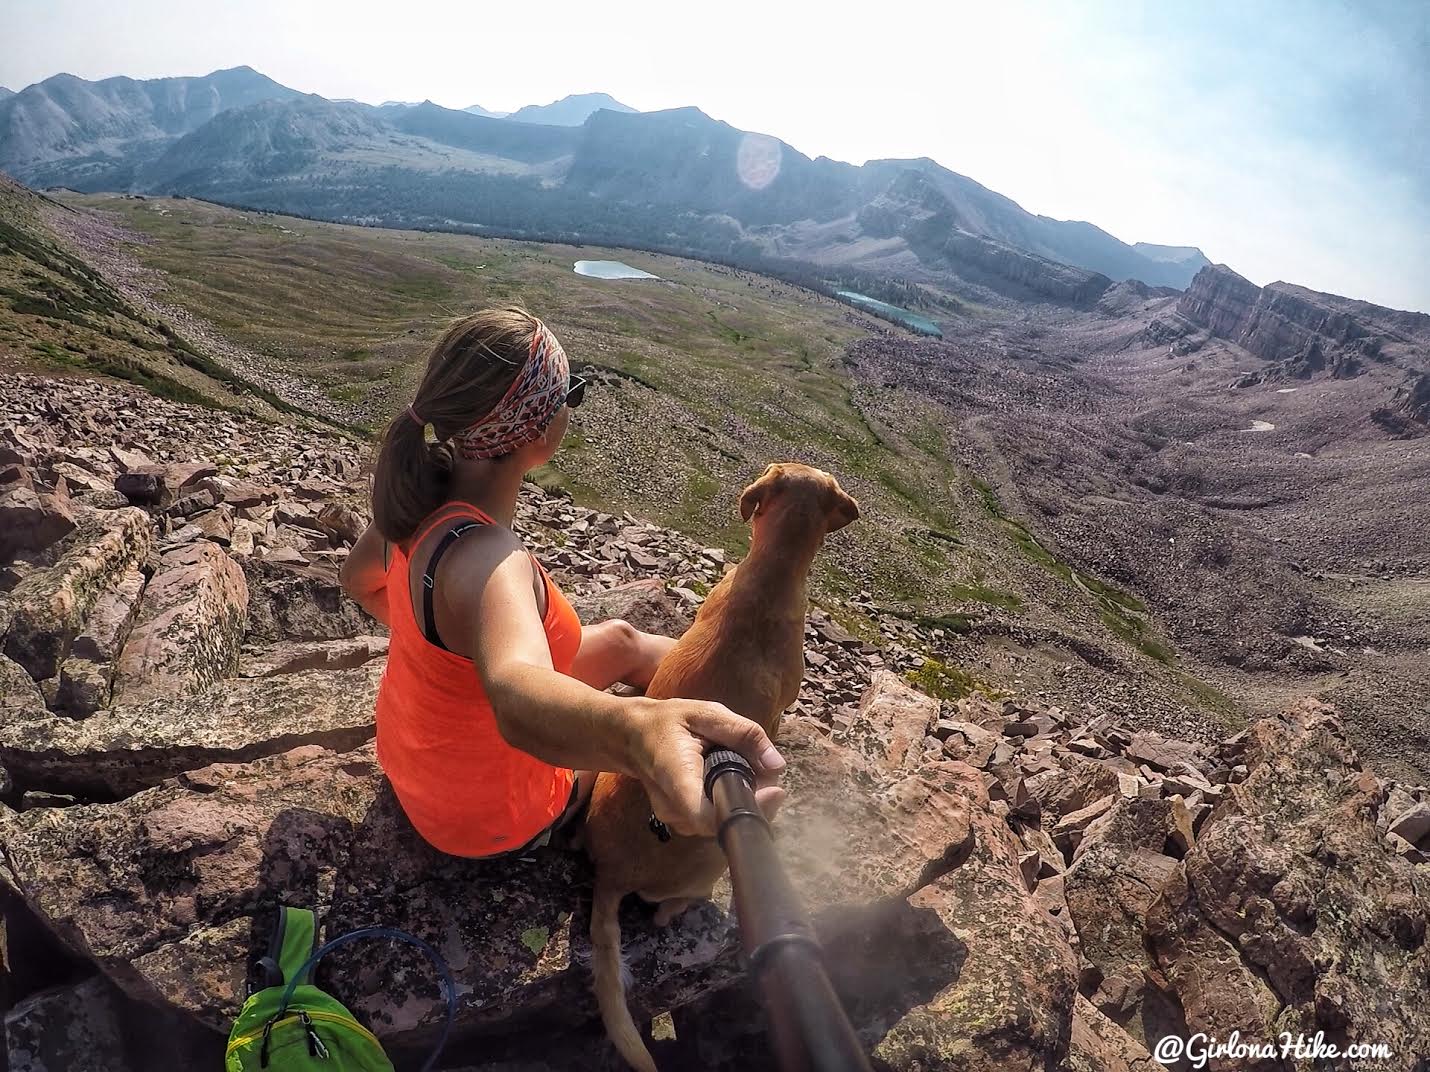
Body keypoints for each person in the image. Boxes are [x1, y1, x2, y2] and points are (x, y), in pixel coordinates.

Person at [339, 307, 785, 859]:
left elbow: (358, 582)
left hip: (415, 766)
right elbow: (518, 693)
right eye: (569, 394)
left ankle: (720, 676)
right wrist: (641, 733)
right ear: (538, 428)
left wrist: (460, 656)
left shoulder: (414, 500)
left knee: (622, 639)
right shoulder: (489, 561)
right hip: (483, 822)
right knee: (627, 771)